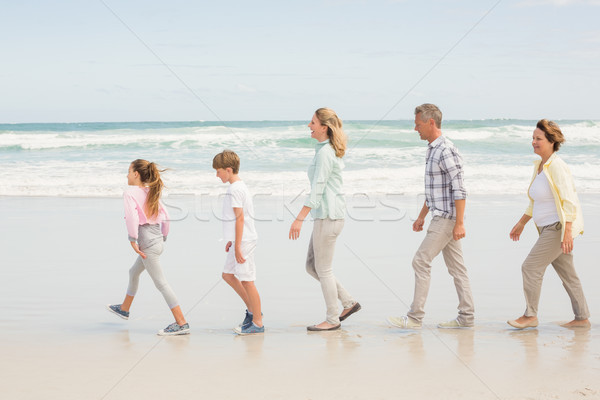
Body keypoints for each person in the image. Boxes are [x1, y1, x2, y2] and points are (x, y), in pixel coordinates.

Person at [388, 103, 474, 329]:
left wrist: (460, 223)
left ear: (431, 123)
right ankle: (466, 318)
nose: (415, 129)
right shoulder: (433, 149)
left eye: (418, 124)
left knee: (420, 260)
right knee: (457, 269)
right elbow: (436, 190)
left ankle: (415, 318)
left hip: (447, 219)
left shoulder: (446, 150)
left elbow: (459, 189)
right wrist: (421, 216)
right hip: (441, 215)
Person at [507, 119, 590, 329]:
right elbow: (535, 201)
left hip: (557, 229)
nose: (534, 142)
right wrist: (522, 223)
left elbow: (569, 200)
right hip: (547, 228)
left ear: (552, 141)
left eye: (538, 138)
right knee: (568, 274)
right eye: (533, 138)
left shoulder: (557, 166)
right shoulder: (540, 166)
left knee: (530, 267)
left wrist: (567, 232)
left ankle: (530, 315)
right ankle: (582, 319)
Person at [289, 108, 361, 331]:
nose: (309, 126)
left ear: (324, 127)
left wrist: (298, 219)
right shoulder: (323, 150)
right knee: (312, 267)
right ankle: (348, 303)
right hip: (325, 216)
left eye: (312, 123)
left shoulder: (325, 153)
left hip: (329, 217)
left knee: (324, 269)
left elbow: (318, 189)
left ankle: (332, 320)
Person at [107, 159, 190, 336]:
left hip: (148, 246)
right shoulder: (150, 191)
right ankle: (124, 308)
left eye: (128, 171)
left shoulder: (130, 193)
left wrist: (132, 239)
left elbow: (132, 218)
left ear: (136, 174)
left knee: (161, 284)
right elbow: (165, 216)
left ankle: (181, 323)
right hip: (157, 241)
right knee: (133, 272)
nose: (126, 175)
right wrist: (164, 235)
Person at [213, 150, 264, 335]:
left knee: (248, 280)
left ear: (228, 169)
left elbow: (240, 219)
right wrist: (231, 241)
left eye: (218, 171)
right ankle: (252, 310)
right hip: (238, 240)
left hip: (245, 241)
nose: (217, 175)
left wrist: (238, 246)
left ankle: (257, 322)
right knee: (227, 275)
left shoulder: (235, 189)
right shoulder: (237, 187)